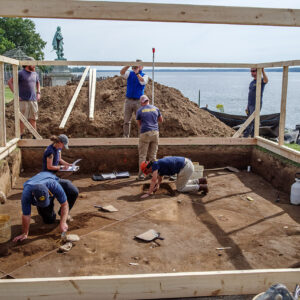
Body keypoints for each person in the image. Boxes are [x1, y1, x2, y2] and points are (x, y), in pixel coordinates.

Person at [13, 171, 78, 242]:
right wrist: (25, 233)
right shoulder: (26, 194)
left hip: (51, 178)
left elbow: (65, 204)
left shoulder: (54, 185)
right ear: (33, 195)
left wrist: (63, 222)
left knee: (73, 191)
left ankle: (62, 214)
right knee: (49, 220)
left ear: (48, 192)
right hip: (36, 183)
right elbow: (26, 215)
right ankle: (43, 211)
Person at [140, 156, 208, 199]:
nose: (149, 173)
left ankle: (202, 187)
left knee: (180, 188)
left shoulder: (155, 165)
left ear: (148, 168)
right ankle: (201, 180)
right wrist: (158, 185)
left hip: (185, 168)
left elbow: (153, 180)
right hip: (187, 165)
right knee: (181, 183)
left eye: (148, 171)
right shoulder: (158, 164)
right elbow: (160, 177)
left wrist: (148, 193)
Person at [7, 57, 41, 139]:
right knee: (22, 119)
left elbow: (38, 82)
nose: (34, 66)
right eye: (33, 64)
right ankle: (20, 136)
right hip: (23, 100)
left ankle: (34, 136)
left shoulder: (35, 74)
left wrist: (38, 92)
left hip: (33, 100)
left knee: (33, 119)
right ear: (27, 64)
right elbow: (10, 82)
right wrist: (16, 95)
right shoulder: (20, 73)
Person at [136, 95, 163, 180]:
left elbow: (139, 124)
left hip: (145, 133)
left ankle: (141, 175)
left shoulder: (140, 110)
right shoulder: (155, 108)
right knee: (153, 156)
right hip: (155, 133)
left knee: (142, 156)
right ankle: (152, 173)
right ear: (148, 101)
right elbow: (161, 120)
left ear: (141, 102)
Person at [120, 59, 149, 137]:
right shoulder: (130, 73)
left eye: (139, 65)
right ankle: (125, 137)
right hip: (128, 100)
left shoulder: (144, 75)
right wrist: (128, 65)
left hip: (139, 102)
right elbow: (122, 73)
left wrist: (137, 74)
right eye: (136, 65)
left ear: (142, 67)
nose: (137, 67)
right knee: (126, 121)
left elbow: (142, 81)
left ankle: (141, 137)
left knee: (140, 120)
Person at [243, 68, 268, 138]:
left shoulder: (260, 81)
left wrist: (262, 71)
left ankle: (246, 137)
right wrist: (247, 106)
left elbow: (266, 80)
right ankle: (250, 137)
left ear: (258, 72)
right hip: (250, 104)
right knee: (250, 121)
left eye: (253, 71)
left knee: (251, 122)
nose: (252, 72)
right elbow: (249, 95)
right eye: (251, 71)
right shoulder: (252, 82)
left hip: (256, 104)